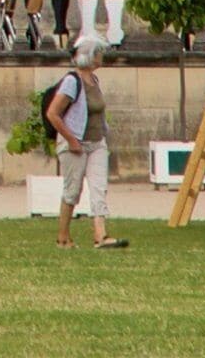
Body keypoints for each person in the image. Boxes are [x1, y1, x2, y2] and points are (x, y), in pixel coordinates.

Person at [46, 35, 124, 251]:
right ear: (90, 56)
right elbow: (53, 113)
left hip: (97, 142)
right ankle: (63, 238)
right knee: (72, 191)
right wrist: (72, 140)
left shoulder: (95, 80)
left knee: (99, 188)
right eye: (98, 53)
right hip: (76, 144)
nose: (101, 56)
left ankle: (100, 235)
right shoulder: (72, 81)